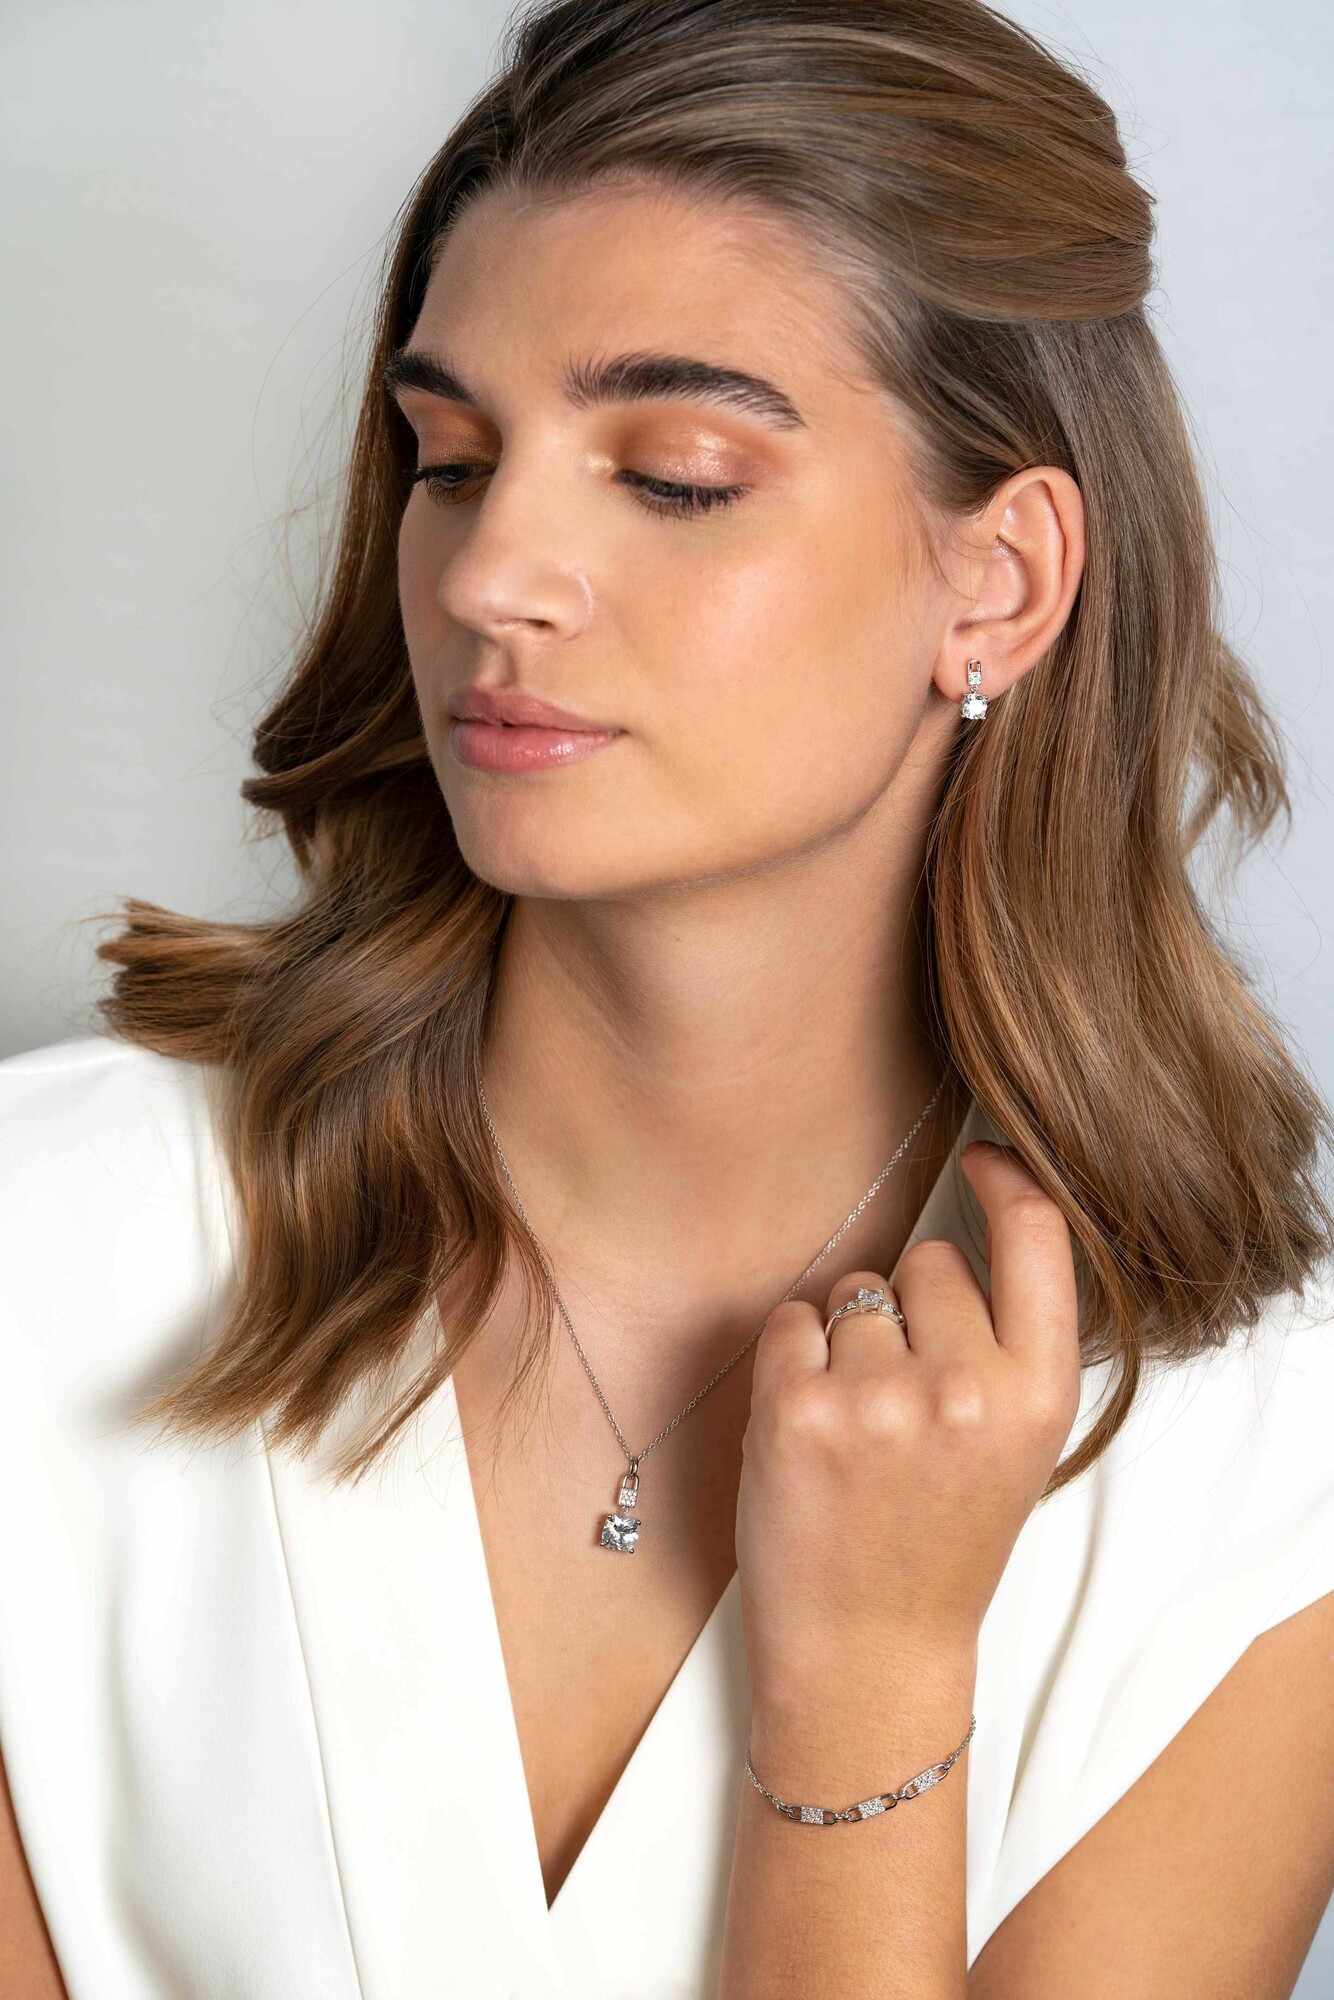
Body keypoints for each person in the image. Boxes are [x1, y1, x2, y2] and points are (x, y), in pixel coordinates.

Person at [2, 0, 1333, 1993]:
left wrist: (869, 1681)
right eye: (452, 461)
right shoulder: (43, 1252)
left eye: (676, 475)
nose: (489, 575)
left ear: (998, 581)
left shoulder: (1254, 1458)